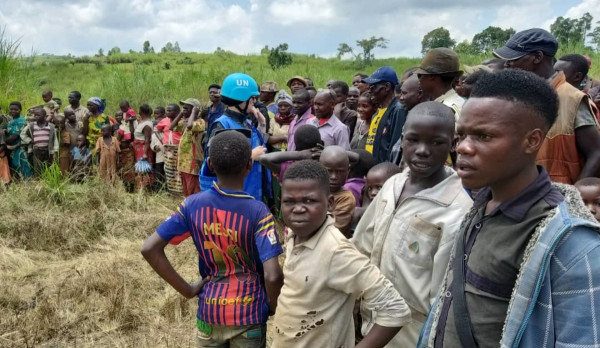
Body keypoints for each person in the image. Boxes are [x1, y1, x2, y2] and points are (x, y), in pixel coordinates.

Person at [418, 69, 600, 348]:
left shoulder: (572, 247)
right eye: (461, 135)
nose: (463, 148)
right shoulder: (479, 207)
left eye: (484, 136)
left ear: (532, 141)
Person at [141, 130, 284, 347]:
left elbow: (149, 248)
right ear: (249, 165)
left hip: (209, 313)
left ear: (210, 164)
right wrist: (272, 306)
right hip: (249, 315)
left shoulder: (191, 205)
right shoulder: (259, 211)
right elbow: (272, 276)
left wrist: (188, 290)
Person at [353, 101, 472, 346]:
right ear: (402, 139)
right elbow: (362, 245)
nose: (422, 150)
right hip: (371, 319)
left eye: (436, 142)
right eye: (413, 140)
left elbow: (444, 292)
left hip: (412, 334)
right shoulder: (392, 185)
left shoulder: (456, 209)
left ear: (453, 144)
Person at [273, 160, 411, 348]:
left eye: (309, 200)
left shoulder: (336, 251)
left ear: (330, 204)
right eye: (289, 201)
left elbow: (395, 309)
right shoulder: (294, 235)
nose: (298, 208)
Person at [494, 28, 600, 184]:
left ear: (537, 57)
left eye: (513, 59)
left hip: (558, 200)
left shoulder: (571, 98)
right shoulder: (521, 97)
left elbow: (597, 153)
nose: (507, 64)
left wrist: (574, 199)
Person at [202, 73, 269, 202]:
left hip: (250, 192)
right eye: (253, 98)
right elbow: (215, 162)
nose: (255, 101)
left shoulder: (246, 122)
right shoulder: (222, 125)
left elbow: (260, 148)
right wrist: (250, 156)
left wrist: (262, 125)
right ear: (242, 98)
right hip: (232, 197)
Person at [363, 66, 406, 162]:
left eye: (373, 87)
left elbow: (395, 148)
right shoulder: (378, 113)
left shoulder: (397, 110)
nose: (370, 91)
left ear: (387, 87)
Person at [416, 47, 465, 118]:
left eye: (420, 75)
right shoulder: (460, 102)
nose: (419, 80)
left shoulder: (444, 111)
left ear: (431, 76)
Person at [319, 145, 355, 237]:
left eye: (339, 172)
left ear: (348, 171)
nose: (333, 177)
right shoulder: (315, 190)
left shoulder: (346, 199)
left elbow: (333, 231)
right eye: (328, 171)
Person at [176, 100, 205, 197]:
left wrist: (193, 112)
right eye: (183, 108)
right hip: (184, 163)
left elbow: (189, 126)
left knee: (194, 190)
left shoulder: (200, 122)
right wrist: (181, 113)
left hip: (193, 162)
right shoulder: (185, 121)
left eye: (186, 108)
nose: (183, 110)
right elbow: (172, 127)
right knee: (186, 190)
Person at [22, 107, 58, 176]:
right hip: (36, 150)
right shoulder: (31, 125)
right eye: (34, 115)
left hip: (48, 150)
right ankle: (38, 181)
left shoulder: (51, 126)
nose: (35, 117)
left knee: (48, 166)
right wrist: (29, 141)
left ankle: (47, 180)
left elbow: (55, 139)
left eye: (38, 115)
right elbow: (22, 134)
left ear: (44, 116)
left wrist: (55, 151)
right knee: (37, 166)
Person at [158, 103, 183, 195]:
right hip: (168, 148)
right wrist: (162, 140)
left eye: (169, 110)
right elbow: (157, 129)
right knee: (169, 169)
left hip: (178, 148)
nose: (167, 112)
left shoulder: (182, 122)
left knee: (178, 170)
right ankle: (171, 190)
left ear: (177, 112)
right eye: (166, 110)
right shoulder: (164, 121)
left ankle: (180, 191)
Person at [6, 102, 32, 179]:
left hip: (20, 146)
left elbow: (15, 136)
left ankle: (28, 180)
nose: (13, 111)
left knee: (22, 163)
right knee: (15, 163)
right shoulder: (11, 120)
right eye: (11, 109)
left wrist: (3, 142)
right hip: (12, 146)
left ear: (20, 110)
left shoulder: (21, 121)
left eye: (16, 109)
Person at [134, 104, 155, 190]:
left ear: (141, 111)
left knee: (144, 168)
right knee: (140, 168)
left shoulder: (147, 124)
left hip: (143, 149)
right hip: (139, 148)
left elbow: (147, 139)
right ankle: (141, 187)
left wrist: (145, 153)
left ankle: (145, 187)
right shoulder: (143, 122)